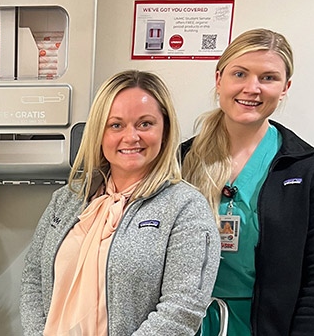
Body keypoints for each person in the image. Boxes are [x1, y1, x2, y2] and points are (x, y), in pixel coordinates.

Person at [20, 70, 221, 336]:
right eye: (116, 125)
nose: (131, 137)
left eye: (145, 124)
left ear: (165, 129)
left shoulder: (186, 208)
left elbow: (182, 308)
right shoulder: (68, 198)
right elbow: (33, 277)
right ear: (99, 133)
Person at [182, 28, 314, 335]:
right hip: (185, 321)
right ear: (219, 79)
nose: (252, 88)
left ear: (285, 87)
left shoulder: (307, 168)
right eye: (240, 74)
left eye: (268, 78)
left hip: (264, 325)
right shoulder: (181, 161)